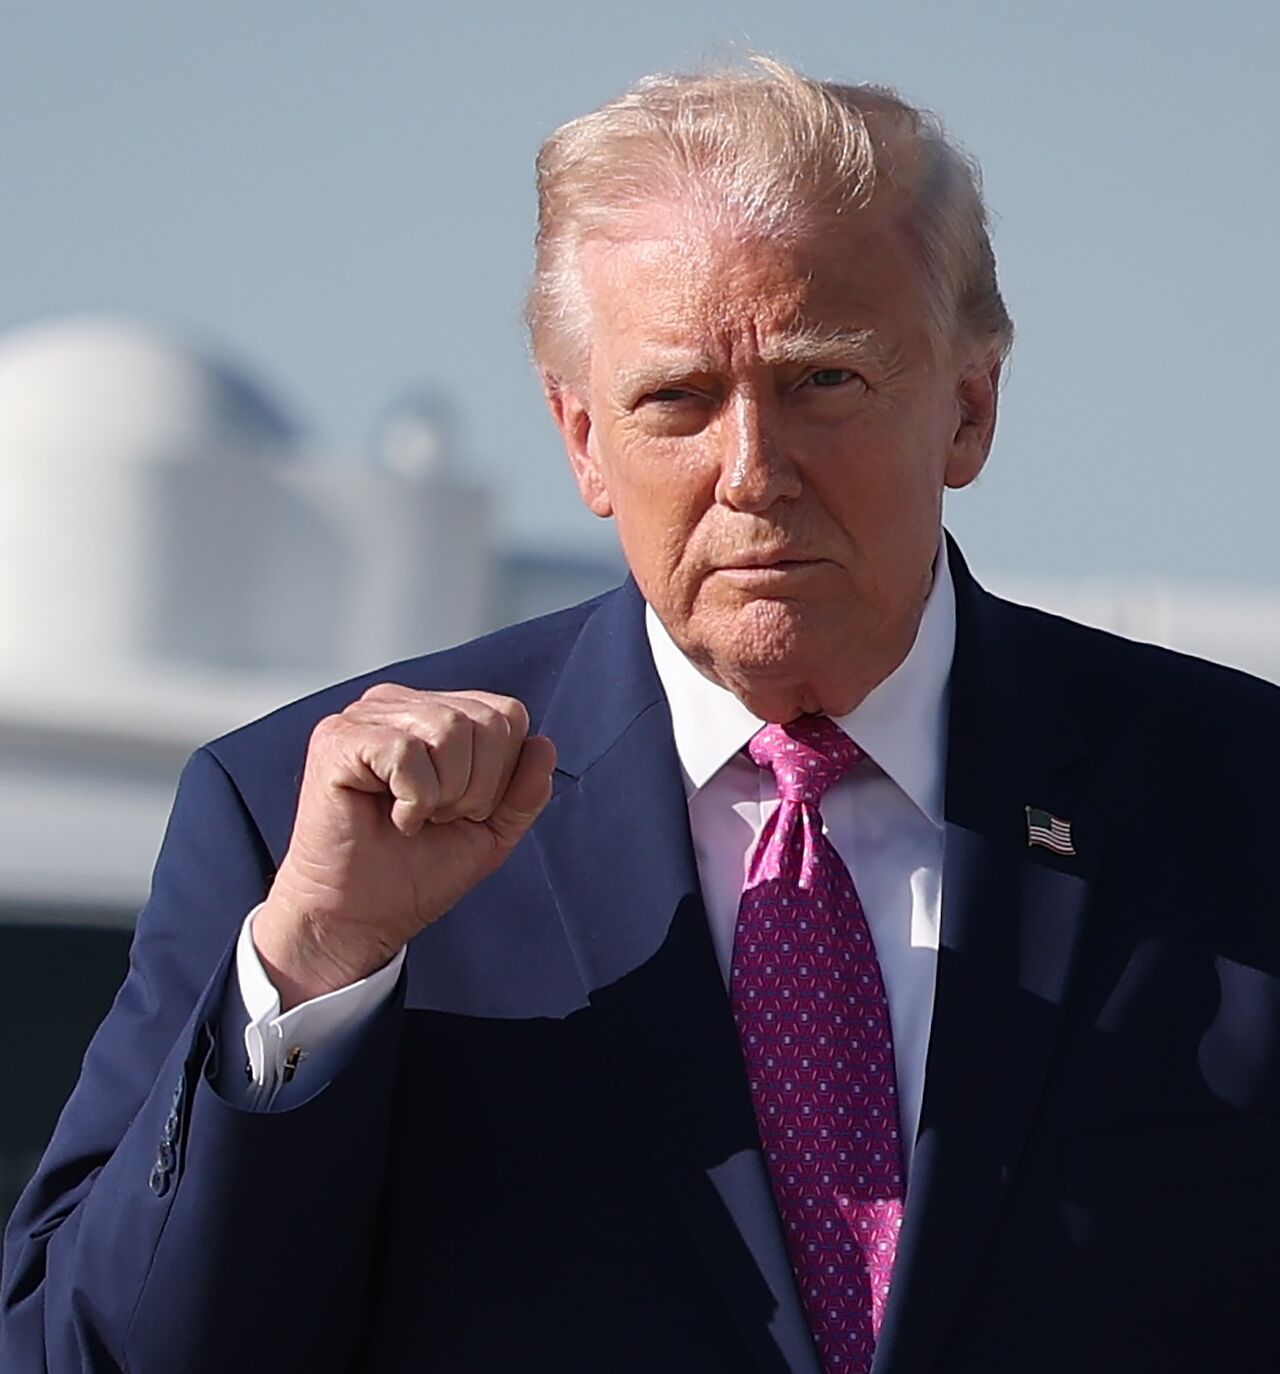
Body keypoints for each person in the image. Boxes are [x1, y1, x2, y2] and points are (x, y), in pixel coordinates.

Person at [3, 57, 1278, 1374]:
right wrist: (317, 963)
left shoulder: (1240, 803)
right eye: (675, 399)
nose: (753, 472)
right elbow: (86, 1353)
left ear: (970, 405)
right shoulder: (304, 825)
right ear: (582, 442)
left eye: (823, 380)